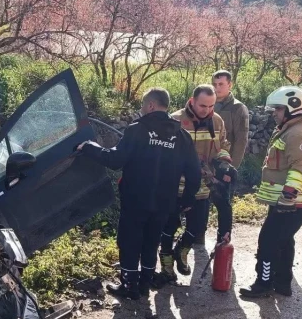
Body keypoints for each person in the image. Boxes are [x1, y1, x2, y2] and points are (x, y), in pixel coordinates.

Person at [76, 87, 201, 300]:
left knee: (130, 240)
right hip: (164, 202)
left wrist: (88, 147)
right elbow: (194, 173)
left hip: (136, 199)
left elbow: (115, 160)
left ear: (150, 105)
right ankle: (145, 284)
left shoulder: (137, 130)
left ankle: (129, 285)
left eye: (143, 105)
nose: (142, 109)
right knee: (151, 241)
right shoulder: (181, 136)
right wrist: (187, 199)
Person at [239, 86, 302, 298]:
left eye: (278, 109)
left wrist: (288, 196)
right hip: (292, 200)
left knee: (269, 241)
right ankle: (282, 283)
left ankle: (263, 283)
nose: (274, 113)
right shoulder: (295, 127)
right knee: (284, 240)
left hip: (292, 201)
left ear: (291, 108)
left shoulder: (299, 132)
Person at [158, 84, 236, 284]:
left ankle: (182, 250)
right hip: (174, 187)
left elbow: (223, 146)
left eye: (211, 106)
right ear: (192, 101)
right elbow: (163, 155)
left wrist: (224, 163)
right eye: (203, 106)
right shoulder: (174, 121)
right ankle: (166, 264)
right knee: (168, 226)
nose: (207, 110)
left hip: (202, 186)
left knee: (197, 225)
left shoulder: (217, 121)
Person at [189, 70, 250, 245]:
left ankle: (222, 241)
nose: (217, 88)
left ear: (230, 85)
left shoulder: (238, 108)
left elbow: (241, 140)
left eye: (221, 84)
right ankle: (198, 237)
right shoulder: (208, 104)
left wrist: (231, 168)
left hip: (223, 163)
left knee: (223, 203)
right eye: (214, 84)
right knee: (202, 200)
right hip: (204, 164)